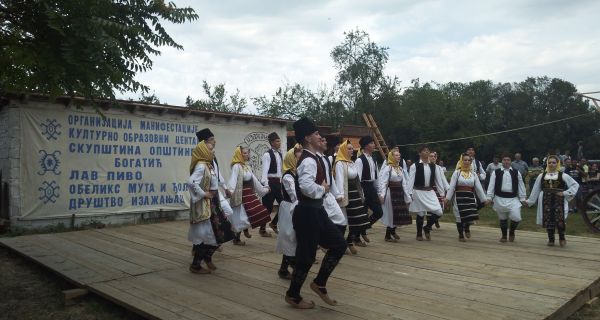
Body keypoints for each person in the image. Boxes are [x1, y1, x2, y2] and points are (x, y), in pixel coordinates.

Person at [285, 117, 347, 309]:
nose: (320, 136)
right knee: (306, 256)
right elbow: (305, 186)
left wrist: (323, 190)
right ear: (307, 138)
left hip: (316, 211)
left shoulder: (314, 158)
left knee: (339, 244)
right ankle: (293, 295)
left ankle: (319, 283)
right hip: (307, 213)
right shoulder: (308, 161)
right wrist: (323, 189)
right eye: (316, 134)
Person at [187, 141, 235, 274]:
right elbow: (191, 182)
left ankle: (206, 258)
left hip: (214, 202)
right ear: (203, 151)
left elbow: (216, 181)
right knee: (211, 234)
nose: (213, 151)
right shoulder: (201, 166)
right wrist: (204, 194)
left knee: (222, 231)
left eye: (213, 149)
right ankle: (196, 264)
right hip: (208, 204)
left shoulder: (208, 165)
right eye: (210, 149)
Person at [526, 155, 579, 247]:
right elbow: (535, 189)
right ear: (547, 164)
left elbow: (575, 185)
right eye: (549, 162)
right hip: (545, 199)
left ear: (557, 164)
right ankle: (551, 239)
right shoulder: (541, 176)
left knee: (560, 219)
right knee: (548, 219)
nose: (551, 164)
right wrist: (529, 202)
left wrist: (565, 193)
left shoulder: (563, 175)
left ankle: (562, 237)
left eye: (553, 162)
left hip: (559, 200)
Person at [228, 146, 271, 245]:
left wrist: (264, 189)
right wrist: (230, 190)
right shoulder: (236, 166)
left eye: (248, 153)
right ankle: (237, 237)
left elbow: (255, 181)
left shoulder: (246, 167)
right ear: (239, 154)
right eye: (245, 153)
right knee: (242, 216)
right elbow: (233, 180)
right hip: (241, 195)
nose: (247, 155)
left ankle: (242, 231)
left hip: (249, 194)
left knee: (254, 213)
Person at [334, 140, 369, 254]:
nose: (351, 150)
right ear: (343, 150)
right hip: (346, 194)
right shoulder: (340, 163)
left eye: (352, 148)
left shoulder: (351, 163)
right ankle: (341, 244)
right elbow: (339, 180)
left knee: (359, 220)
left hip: (355, 194)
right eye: (349, 148)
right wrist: (340, 195)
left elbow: (357, 180)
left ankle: (349, 241)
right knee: (344, 221)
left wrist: (361, 193)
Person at [407, 145, 447, 241]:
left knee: (439, 212)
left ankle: (427, 227)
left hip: (430, 192)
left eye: (428, 151)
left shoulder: (434, 166)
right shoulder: (414, 166)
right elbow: (410, 181)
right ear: (420, 153)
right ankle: (419, 234)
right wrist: (409, 195)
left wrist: (442, 195)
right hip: (418, 192)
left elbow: (438, 181)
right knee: (420, 214)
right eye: (424, 151)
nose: (427, 152)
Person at [445, 153, 487, 242]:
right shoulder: (457, 173)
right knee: (459, 216)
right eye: (465, 160)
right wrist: (447, 198)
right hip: (459, 197)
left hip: (470, 197)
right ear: (461, 161)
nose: (467, 162)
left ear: (471, 162)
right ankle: (460, 234)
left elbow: (478, 187)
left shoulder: (473, 174)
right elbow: (452, 186)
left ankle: (467, 228)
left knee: (469, 215)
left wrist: (484, 199)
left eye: (468, 160)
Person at [196, 128, 234, 225]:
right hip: (205, 192)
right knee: (206, 217)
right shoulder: (199, 158)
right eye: (212, 139)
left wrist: (225, 188)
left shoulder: (212, 155)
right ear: (204, 142)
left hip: (215, 190)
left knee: (227, 211)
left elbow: (217, 173)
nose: (214, 141)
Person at [276, 144, 302, 280]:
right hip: (289, 208)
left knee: (293, 238)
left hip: (295, 206)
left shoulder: (296, 173)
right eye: (298, 154)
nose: (301, 155)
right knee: (289, 236)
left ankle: (285, 268)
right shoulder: (288, 177)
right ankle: (290, 267)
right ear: (292, 158)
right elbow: (294, 195)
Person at [486, 154, 527, 243]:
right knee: (503, 218)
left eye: (508, 160)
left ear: (511, 161)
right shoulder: (496, 172)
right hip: (499, 198)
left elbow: (521, 185)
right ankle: (504, 236)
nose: (506, 161)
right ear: (502, 161)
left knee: (516, 217)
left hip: (513, 199)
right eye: (504, 160)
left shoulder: (516, 172)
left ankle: (511, 232)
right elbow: (491, 185)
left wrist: (523, 198)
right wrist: (489, 197)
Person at [355, 135, 385, 242]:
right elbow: (357, 179)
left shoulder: (373, 159)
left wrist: (380, 193)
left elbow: (377, 178)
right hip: (363, 188)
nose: (374, 145)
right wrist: (360, 194)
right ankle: (356, 238)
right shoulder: (359, 160)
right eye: (372, 143)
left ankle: (363, 230)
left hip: (371, 188)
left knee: (379, 212)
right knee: (362, 214)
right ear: (366, 146)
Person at [378, 149, 412, 242]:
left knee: (398, 214)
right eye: (396, 155)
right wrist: (382, 195)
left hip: (399, 193)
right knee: (391, 214)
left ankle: (392, 232)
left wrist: (407, 196)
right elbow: (383, 183)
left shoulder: (400, 169)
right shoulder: (388, 168)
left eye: (399, 155)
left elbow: (404, 183)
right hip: (390, 193)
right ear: (391, 157)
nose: (398, 157)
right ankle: (387, 235)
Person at [261, 132, 283, 236]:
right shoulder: (267, 154)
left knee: (284, 204)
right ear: (272, 142)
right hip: (270, 182)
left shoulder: (279, 154)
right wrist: (266, 184)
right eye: (277, 141)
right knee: (267, 207)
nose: (279, 143)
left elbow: (280, 171)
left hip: (278, 183)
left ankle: (274, 223)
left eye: (280, 141)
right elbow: (264, 171)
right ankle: (262, 229)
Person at [429, 151, 449, 229]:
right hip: (429, 189)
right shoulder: (425, 166)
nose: (433, 158)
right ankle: (429, 224)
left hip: (437, 189)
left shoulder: (439, 168)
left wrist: (449, 189)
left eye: (434, 156)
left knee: (440, 208)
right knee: (429, 207)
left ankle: (435, 220)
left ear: (436, 158)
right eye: (431, 156)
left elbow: (443, 179)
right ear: (428, 157)